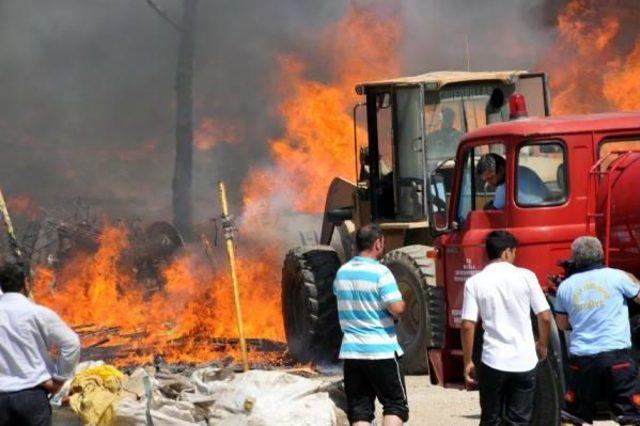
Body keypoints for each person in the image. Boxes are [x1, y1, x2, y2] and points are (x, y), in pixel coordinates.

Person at [461, 230, 551, 426]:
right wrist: (542, 344)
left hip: (493, 360)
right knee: (519, 420)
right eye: (514, 252)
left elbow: (468, 325)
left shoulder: (475, 282)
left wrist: (468, 361)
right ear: (507, 252)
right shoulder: (527, 276)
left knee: (490, 419)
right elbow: (544, 316)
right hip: (524, 360)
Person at [554, 236, 640, 425]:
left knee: (573, 416)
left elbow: (561, 324)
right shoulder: (618, 276)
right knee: (630, 415)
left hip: (582, 361)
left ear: (575, 258)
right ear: (601, 254)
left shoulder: (565, 287)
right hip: (617, 358)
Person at [333, 223, 408, 426]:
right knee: (395, 406)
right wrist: (402, 304)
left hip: (352, 352)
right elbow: (397, 307)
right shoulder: (381, 273)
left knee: (360, 411)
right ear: (378, 243)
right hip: (381, 350)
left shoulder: (342, 272)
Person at [0, 262, 80, 426]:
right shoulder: (38, 313)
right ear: (25, 283)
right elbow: (71, 343)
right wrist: (59, 380)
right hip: (32, 398)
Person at [476, 153, 550, 209]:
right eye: (486, 180)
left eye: (491, 178)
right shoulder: (524, 170)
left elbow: (495, 209)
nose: (489, 183)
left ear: (501, 170)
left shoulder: (505, 186)